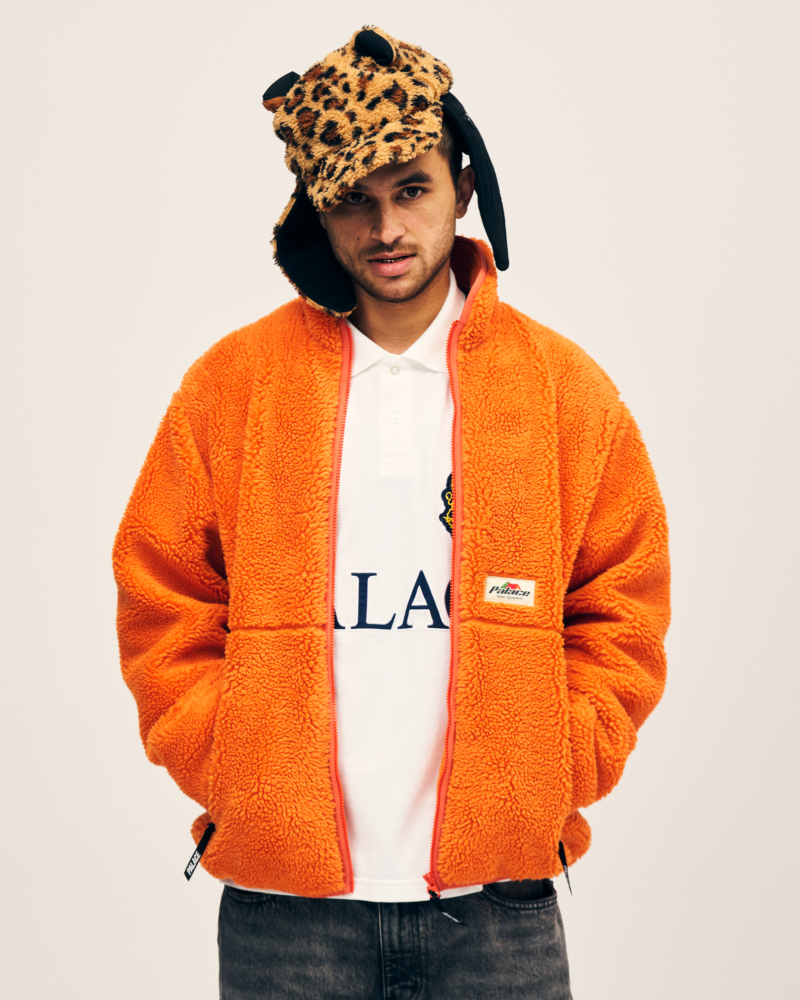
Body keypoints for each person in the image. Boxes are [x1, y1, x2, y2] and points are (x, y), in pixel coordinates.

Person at [113, 25, 670, 1000]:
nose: (386, 228)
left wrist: (554, 763)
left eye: (411, 189)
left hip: (497, 911)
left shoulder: (561, 393)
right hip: (285, 918)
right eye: (353, 201)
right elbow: (162, 596)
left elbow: (623, 603)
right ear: (316, 211)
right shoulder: (231, 388)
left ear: (461, 186)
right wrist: (231, 760)